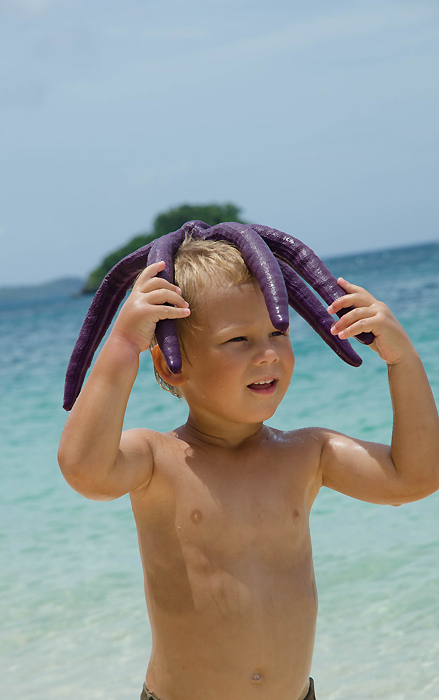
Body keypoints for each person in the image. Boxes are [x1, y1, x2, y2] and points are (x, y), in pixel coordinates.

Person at [58, 237, 439, 700]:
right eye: (238, 339)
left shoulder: (308, 454)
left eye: (278, 332)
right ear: (172, 365)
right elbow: (84, 470)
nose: (267, 353)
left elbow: (415, 476)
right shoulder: (156, 460)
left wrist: (404, 360)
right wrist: (121, 344)